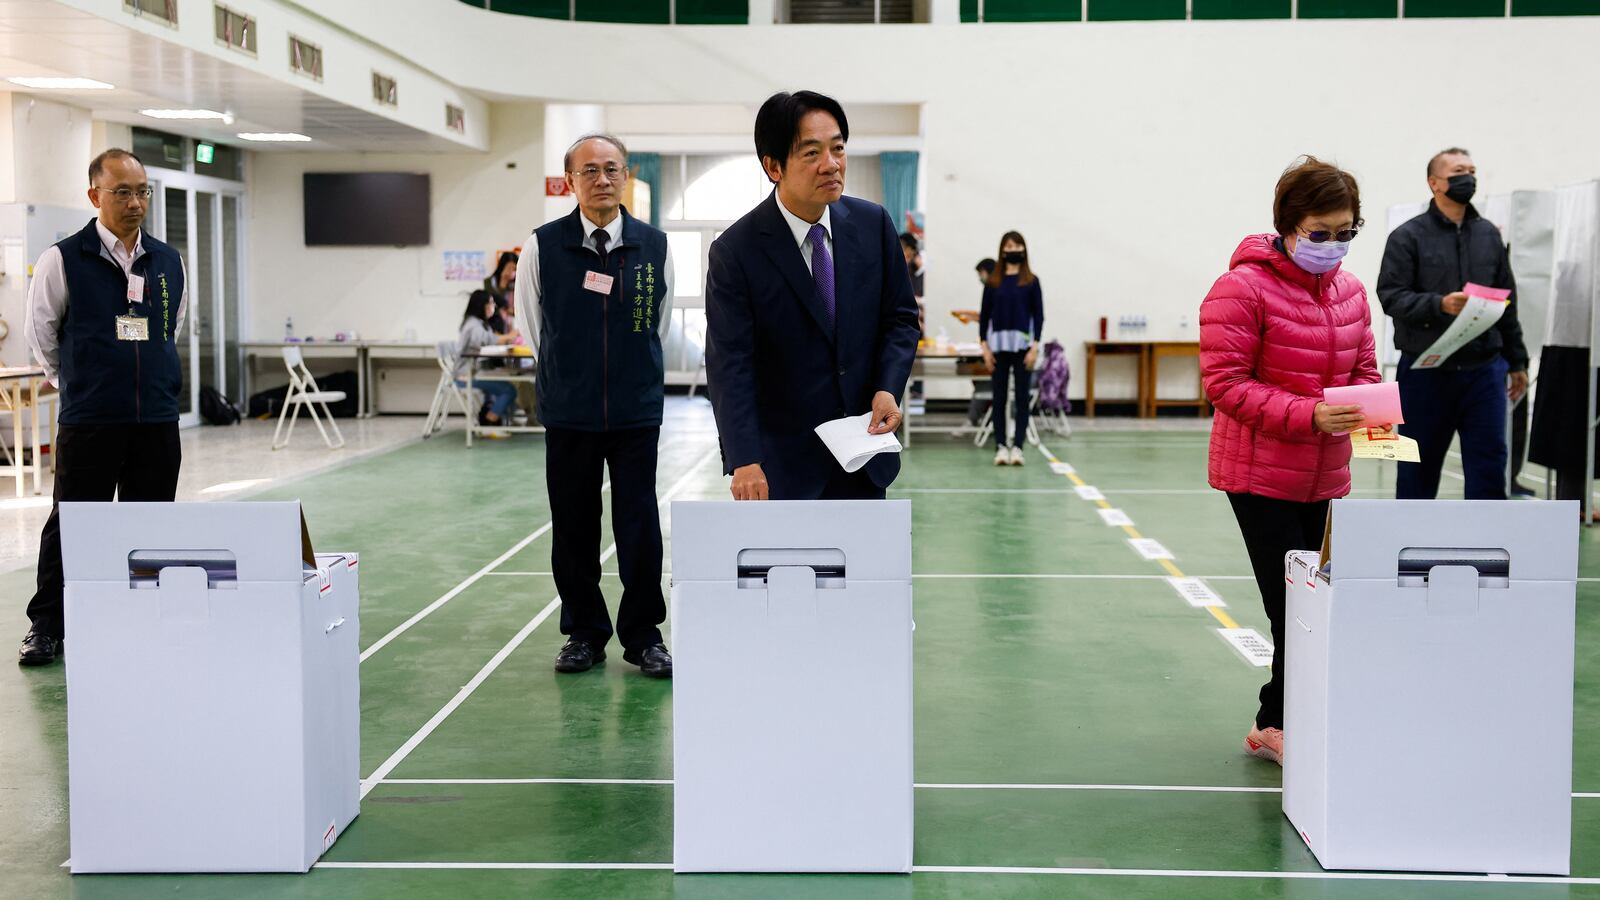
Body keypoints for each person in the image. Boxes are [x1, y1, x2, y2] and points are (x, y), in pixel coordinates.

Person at [1199, 156, 1380, 766]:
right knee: (1291, 604)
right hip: (1258, 473)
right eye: (1320, 233)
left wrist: (1371, 410)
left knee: (1317, 599)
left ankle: (1281, 717)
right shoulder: (1241, 289)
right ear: (1287, 224)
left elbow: (1363, 373)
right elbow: (1224, 384)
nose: (1334, 246)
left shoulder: (1353, 294)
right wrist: (1308, 414)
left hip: (1325, 473)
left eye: (1346, 233)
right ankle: (1274, 724)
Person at [704, 90, 921, 501]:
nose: (832, 164)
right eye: (811, 153)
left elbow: (900, 319)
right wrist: (743, 458)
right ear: (773, 167)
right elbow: (730, 364)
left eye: (838, 148)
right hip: (782, 466)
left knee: (865, 566)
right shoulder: (737, 251)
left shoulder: (872, 224)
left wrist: (887, 387)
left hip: (864, 452)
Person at [19, 148, 188, 666]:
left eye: (142, 192)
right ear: (95, 196)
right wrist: (76, 383)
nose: (135, 202)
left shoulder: (168, 260)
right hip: (91, 420)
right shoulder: (63, 258)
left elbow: (169, 328)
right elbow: (41, 333)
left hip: (155, 420)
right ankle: (47, 625)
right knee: (72, 523)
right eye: (123, 192)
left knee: (151, 523)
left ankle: (143, 617)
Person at [513, 134, 674, 678]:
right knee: (574, 527)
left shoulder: (654, 245)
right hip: (570, 412)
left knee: (639, 526)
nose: (602, 179)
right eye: (589, 171)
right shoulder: (543, 245)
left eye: (611, 169)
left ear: (625, 175)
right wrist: (570, 377)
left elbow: (660, 322)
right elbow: (535, 328)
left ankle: (643, 634)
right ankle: (584, 632)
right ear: (570, 181)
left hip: (635, 412)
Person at [1377, 147, 1528, 500]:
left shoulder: (1489, 235)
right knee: (1417, 469)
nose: (1469, 178)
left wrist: (1517, 360)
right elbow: (1390, 296)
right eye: (1459, 171)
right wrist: (1438, 305)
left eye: (1472, 170)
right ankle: (1411, 546)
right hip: (1424, 372)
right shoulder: (1407, 236)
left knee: (1489, 467)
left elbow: (1508, 301)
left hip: (1484, 372)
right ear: (1435, 183)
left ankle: (1489, 547)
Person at [979, 231, 1044, 466]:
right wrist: (985, 349)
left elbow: (1039, 316)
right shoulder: (993, 282)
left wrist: (1034, 347)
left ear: (1023, 250)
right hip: (997, 349)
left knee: (1021, 398)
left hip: (1023, 349)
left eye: (1017, 245)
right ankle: (1000, 447)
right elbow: (984, 317)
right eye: (1008, 245)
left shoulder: (1031, 281)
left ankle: (1017, 446)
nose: (1013, 249)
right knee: (999, 398)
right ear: (1002, 250)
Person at [455, 290, 520, 430]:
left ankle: (501, 419)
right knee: (509, 390)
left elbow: (488, 339)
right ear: (481, 305)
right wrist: (509, 336)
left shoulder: (475, 323)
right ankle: (490, 422)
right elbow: (487, 340)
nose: (494, 306)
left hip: (472, 372)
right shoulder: (473, 325)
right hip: (466, 376)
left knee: (510, 380)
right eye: (491, 303)